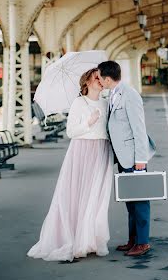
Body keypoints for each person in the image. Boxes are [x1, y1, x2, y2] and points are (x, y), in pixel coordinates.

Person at [27, 68, 113, 262]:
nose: (100, 80)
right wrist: (89, 123)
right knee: (77, 195)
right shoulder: (78, 103)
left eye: (101, 77)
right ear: (87, 82)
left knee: (96, 197)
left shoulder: (106, 103)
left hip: (101, 152)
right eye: (96, 77)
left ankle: (89, 239)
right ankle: (75, 240)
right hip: (81, 152)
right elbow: (71, 132)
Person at [98, 60, 156, 257]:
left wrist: (141, 159)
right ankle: (133, 240)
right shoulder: (113, 94)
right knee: (130, 200)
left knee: (139, 200)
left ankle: (143, 242)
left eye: (99, 77)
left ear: (107, 79)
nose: (99, 80)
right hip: (123, 158)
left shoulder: (129, 95)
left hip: (133, 158)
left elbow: (139, 129)